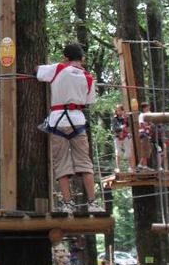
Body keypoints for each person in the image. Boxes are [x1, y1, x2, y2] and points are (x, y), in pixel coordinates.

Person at [36, 42, 103, 213]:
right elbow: (88, 102)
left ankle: (68, 203)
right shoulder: (88, 78)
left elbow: (37, 71)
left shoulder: (58, 69)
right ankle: (92, 203)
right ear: (82, 59)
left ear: (65, 57)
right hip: (77, 122)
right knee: (85, 163)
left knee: (62, 164)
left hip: (57, 121)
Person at [111, 104, 134, 173]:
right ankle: (118, 168)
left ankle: (130, 167)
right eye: (117, 110)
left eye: (120, 110)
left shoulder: (125, 118)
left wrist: (126, 119)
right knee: (118, 152)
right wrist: (121, 127)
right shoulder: (114, 119)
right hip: (118, 137)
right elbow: (114, 129)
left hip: (125, 136)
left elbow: (128, 126)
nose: (119, 111)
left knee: (128, 152)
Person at [137, 102, 153, 169]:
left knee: (148, 148)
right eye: (147, 107)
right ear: (144, 108)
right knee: (146, 149)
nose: (149, 108)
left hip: (147, 133)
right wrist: (148, 127)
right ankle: (140, 164)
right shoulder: (142, 115)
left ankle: (145, 165)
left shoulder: (148, 114)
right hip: (144, 133)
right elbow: (141, 124)